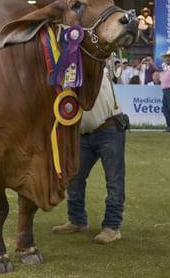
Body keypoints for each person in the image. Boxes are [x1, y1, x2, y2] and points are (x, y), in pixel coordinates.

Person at [52, 73, 128, 244]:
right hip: (83, 134)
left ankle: (112, 227)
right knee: (75, 177)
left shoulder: (96, 66)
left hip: (109, 129)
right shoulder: (66, 73)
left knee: (114, 180)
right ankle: (77, 220)